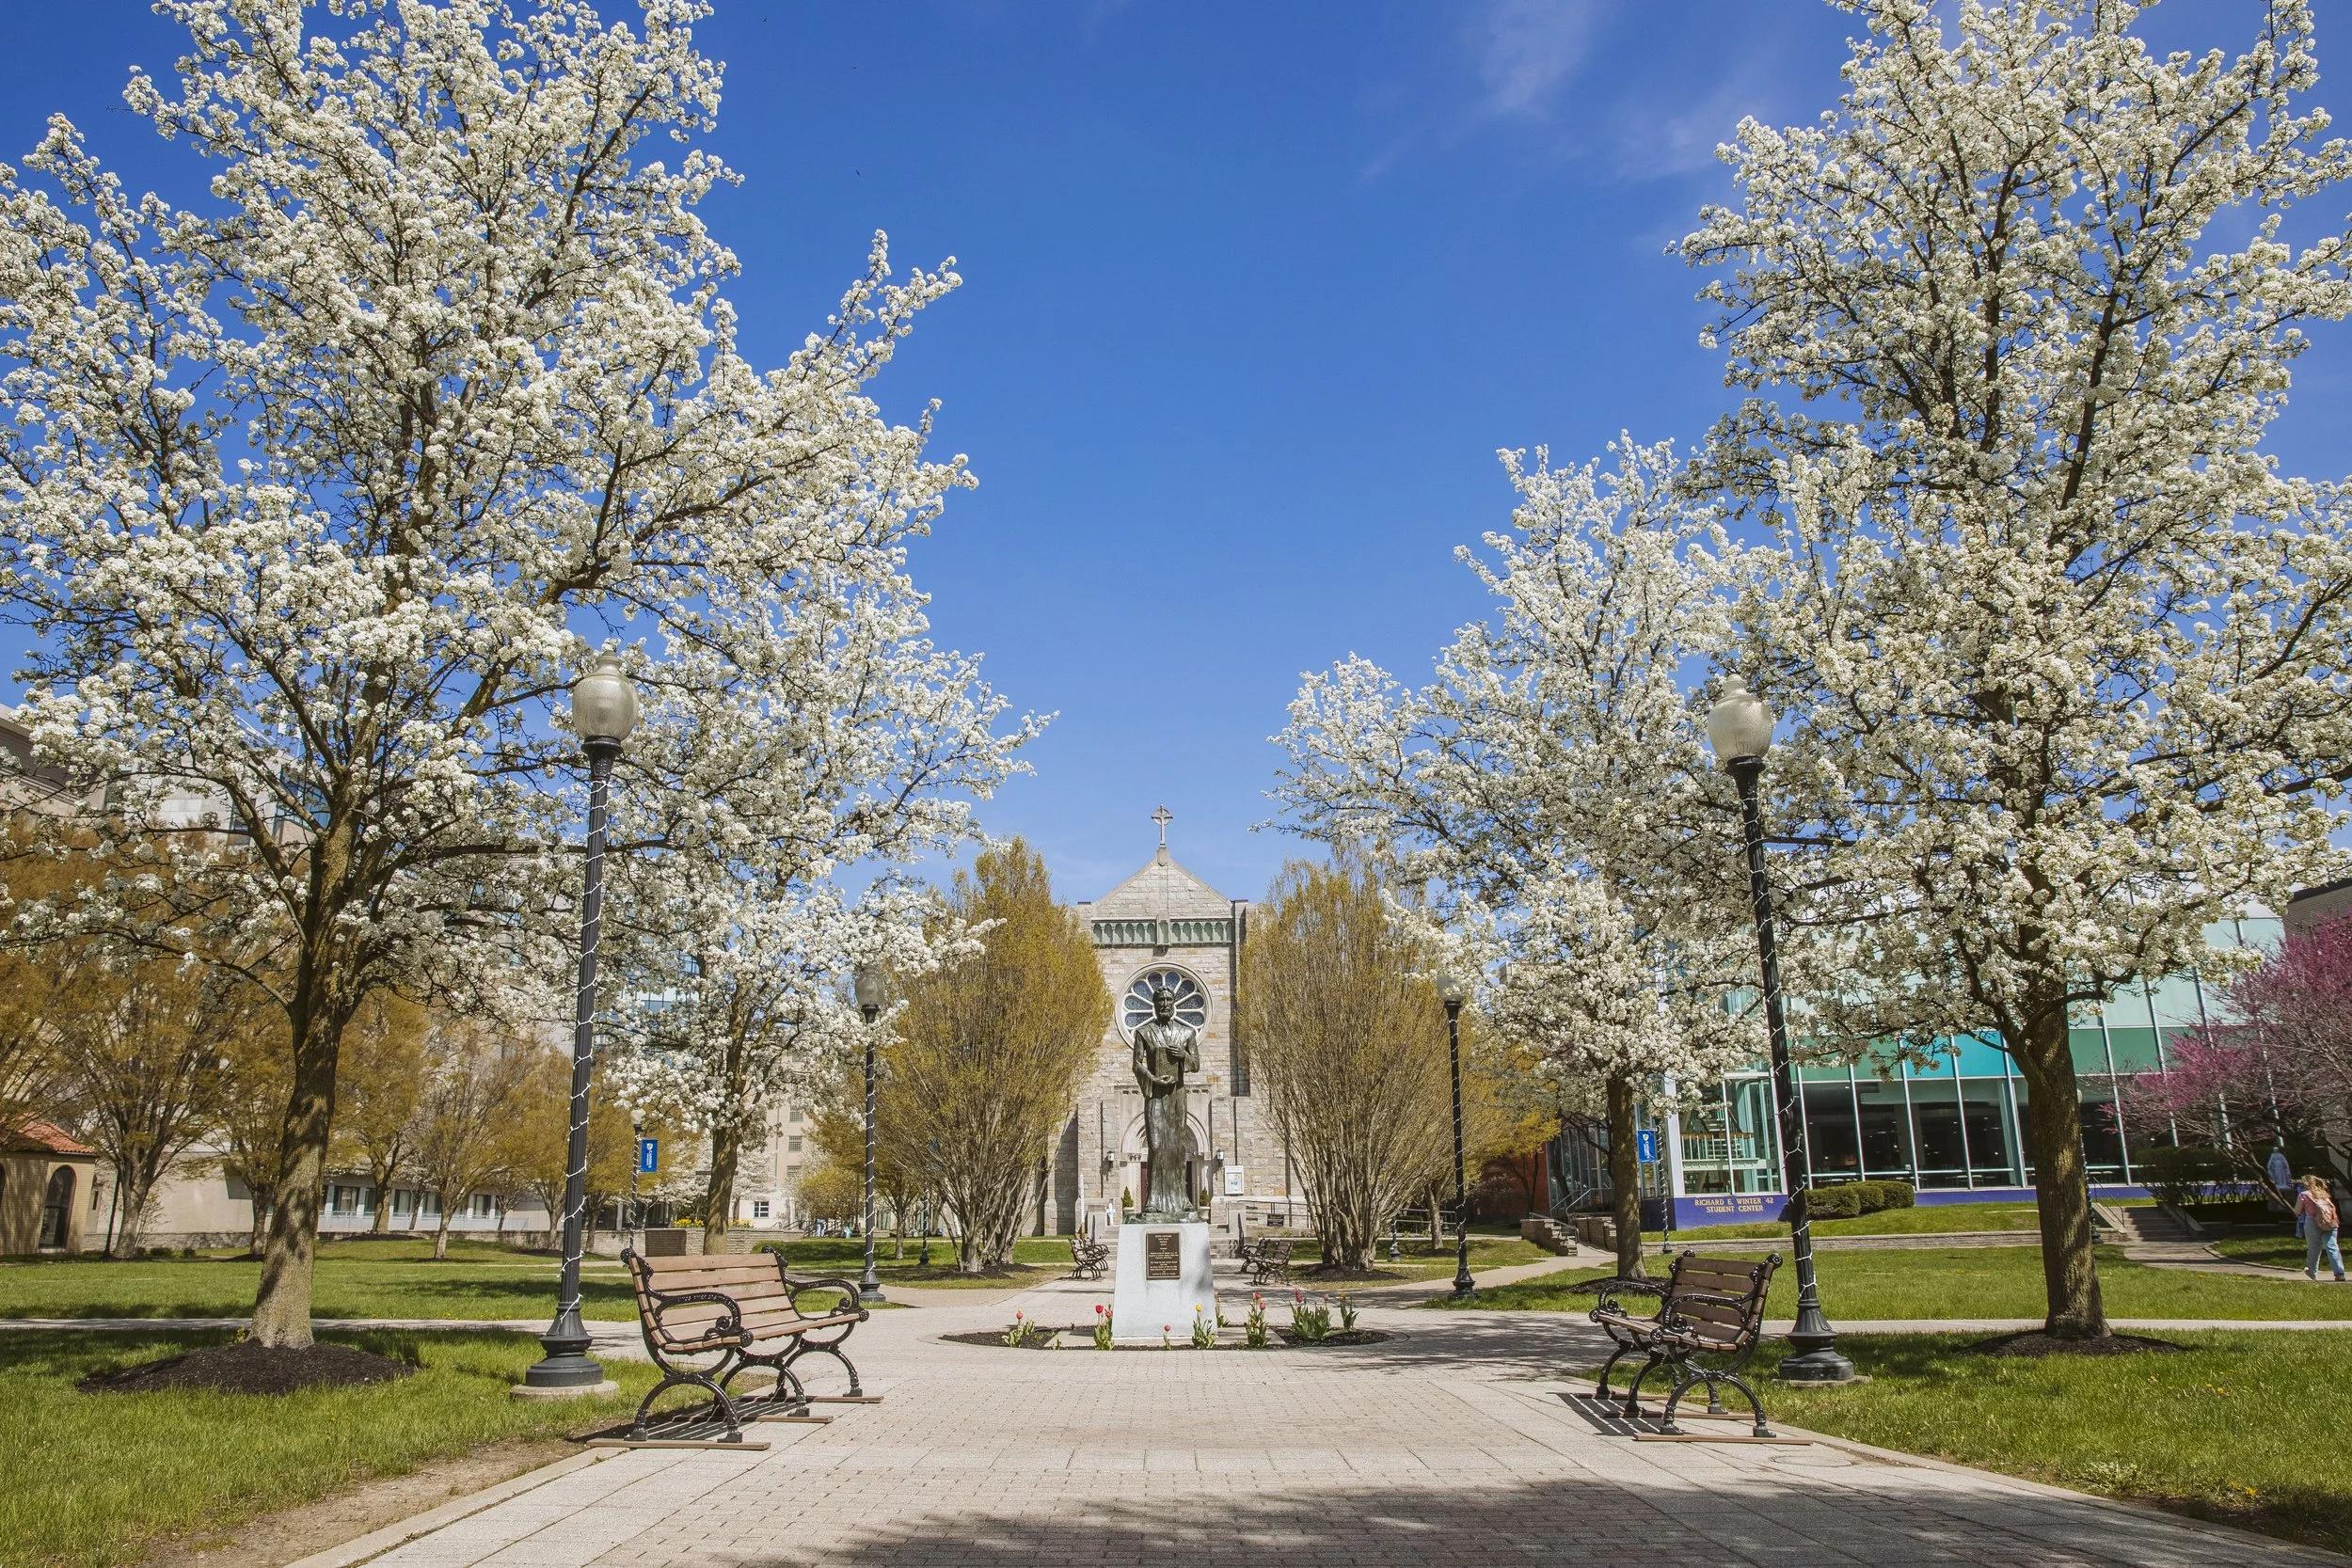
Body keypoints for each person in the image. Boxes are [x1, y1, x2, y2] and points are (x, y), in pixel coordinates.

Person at [2297, 1173, 2344, 1282]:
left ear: (2306, 1183)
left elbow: (2297, 1210)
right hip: (2330, 1222)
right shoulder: (2324, 1194)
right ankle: (2339, 1273)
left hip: (2312, 1222)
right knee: (2332, 1246)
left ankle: (2312, 1272)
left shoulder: (2304, 1195)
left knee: (2314, 1247)